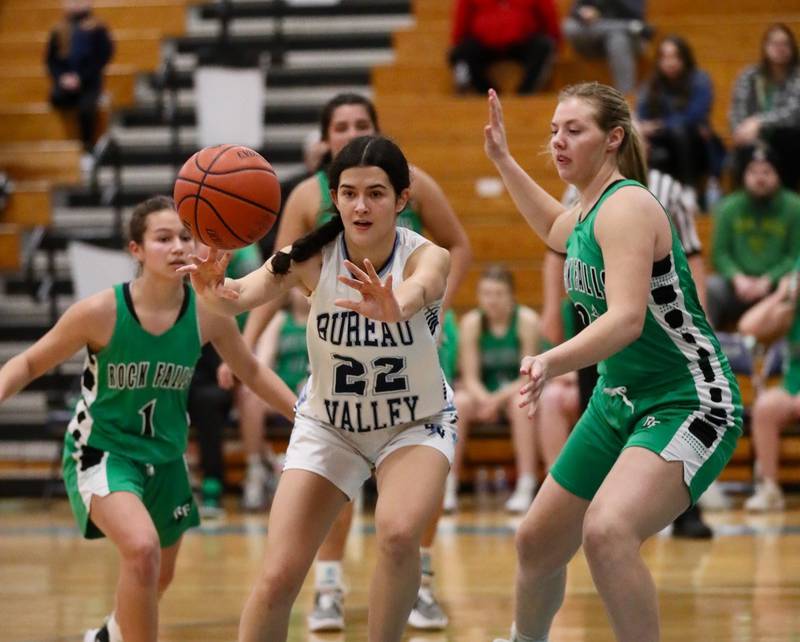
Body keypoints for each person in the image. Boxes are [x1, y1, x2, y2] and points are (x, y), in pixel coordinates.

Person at [483, 82, 742, 642]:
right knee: (536, 543)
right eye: (554, 130)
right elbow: (555, 228)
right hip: (619, 398)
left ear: (613, 139)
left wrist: (549, 360)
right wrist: (503, 160)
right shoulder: (586, 209)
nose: (557, 141)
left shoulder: (626, 205)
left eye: (573, 130)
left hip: (687, 398)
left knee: (608, 531)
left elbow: (626, 320)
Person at [183, 134, 457, 642]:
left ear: (402, 199)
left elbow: (423, 288)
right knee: (278, 575)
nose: (361, 205)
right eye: (349, 192)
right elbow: (238, 299)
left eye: (376, 193)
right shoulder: (310, 256)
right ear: (334, 197)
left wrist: (395, 302)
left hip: (414, 422)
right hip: (332, 426)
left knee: (398, 536)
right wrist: (212, 289)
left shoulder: (425, 256)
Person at [0, 196, 296, 642]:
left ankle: (108, 636)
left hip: (167, 458)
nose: (177, 246)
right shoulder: (99, 312)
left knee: (155, 578)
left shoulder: (206, 312)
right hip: (104, 450)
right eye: (163, 238)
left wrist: (305, 417)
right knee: (141, 551)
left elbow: (250, 370)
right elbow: (26, 364)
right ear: (136, 250)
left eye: (184, 236)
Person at [445, 265, 540, 514]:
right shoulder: (472, 323)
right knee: (460, 403)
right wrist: (486, 400)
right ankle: (449, 485)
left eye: (499, 294)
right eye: (486, 293)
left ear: (512, 296)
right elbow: (469, 376)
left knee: (522, 405)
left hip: (513, 393)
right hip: (482, 395)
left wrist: (496, 401)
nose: (492, 300)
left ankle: (525, 484)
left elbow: (528, 377)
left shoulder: (526, 321)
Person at [188, 242, 265, 518]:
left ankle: (216, 481)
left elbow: (254, 372)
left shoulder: (242, 257)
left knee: (209, 399)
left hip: (215, 368)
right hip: (179, 374)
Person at [706, 144, 800, 330]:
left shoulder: (794, 208)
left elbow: (795, 256)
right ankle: (708, 349)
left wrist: (768, 280)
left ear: (778, 175)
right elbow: (719, 254)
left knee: (793, 288)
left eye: (766, 172)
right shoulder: (728, 207)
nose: (759, 178)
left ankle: (785, 350)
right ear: (743, 175)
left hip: (776, 288)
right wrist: (737, 278)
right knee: (710, 288)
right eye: (753, 172)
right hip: (737, 287)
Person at [237, 287, 310, 511]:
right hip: (283, 392)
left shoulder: (325, 316)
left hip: (315, 393)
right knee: (249, 395)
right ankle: (256, 467)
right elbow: (263, 361)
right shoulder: (280, 320)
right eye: (298, 288)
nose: (302, 291)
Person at [738, 266, 799, 511]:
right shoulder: (791, 310)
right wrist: (781, 296)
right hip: (793, 384)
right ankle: (770, 489)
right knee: (765, 407)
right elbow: (747, 327)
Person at [636, 35, 721, 190]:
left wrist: (661, 125)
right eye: (665, 57)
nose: (670, 62)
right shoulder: (651, 84)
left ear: (684, 58)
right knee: (640, 138)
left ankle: (689, 188)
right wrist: (644, 127)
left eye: (675, 57)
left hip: (694, 139)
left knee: (679, 130)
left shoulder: (699, 79)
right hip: (661, 140)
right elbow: (641, 115)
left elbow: (694, 115)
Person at [730, 23, 800, 190]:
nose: (780, 48)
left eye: (785, 44)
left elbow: (794, 113)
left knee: (790, 137)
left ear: (792, 48)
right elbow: (737, 110)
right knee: (745, 148)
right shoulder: (749, 76)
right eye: (774, 43)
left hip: (786, 137)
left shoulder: (797, 76)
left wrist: (759, 122)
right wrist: (740, 130)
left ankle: (788, 196)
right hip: (753, 138)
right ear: (765, 47)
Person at [46, 0, 114, 167]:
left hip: (89, 82)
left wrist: (81, 78)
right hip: (66, 84)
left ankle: (87, 148)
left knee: (86, 108)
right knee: (56, 98)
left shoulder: (97, 28)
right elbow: (51, 60)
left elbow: (103, 56)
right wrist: (62, 78)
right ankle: (62, 150)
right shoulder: (59, 29)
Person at [448, 0, 562, 95]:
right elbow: (461, 21)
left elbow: (549, 18)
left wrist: (556, 44)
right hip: (484, 43)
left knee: (543, 46)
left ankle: (526, 93)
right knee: (464, 50)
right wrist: (457, 46)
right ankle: (486, 94)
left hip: (523, 42)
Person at [562, 0, 650, 95]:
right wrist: (584, 12)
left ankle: (626, 95)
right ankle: (628, 27)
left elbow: (635, 15)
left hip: (626, 41)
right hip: (594, 40)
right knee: (569, 26)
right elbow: (576, 9)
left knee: (617, 39)